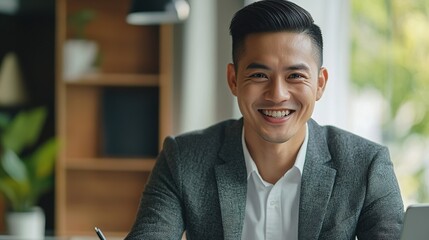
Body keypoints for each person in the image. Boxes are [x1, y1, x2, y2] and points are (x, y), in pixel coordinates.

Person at [125, 0, 404, 239]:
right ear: (233, 80)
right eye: (259, 75)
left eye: (295, 76)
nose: (278, 94)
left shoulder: (366, 165)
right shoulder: (184, 159)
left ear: (320, 84)